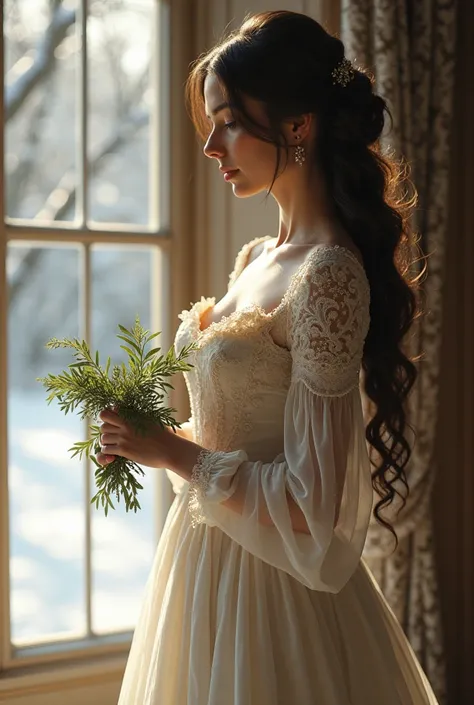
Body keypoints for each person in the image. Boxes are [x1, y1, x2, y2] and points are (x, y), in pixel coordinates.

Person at [97, 10, 439, 704]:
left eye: (226, 120)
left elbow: (314, 505)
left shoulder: (329, 276)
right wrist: (147, 441)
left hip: (274, 599)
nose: (210, 145)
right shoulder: (257, 258)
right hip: (201, 572)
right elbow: (244, 440)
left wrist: (173, 453)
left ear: (297, 126)